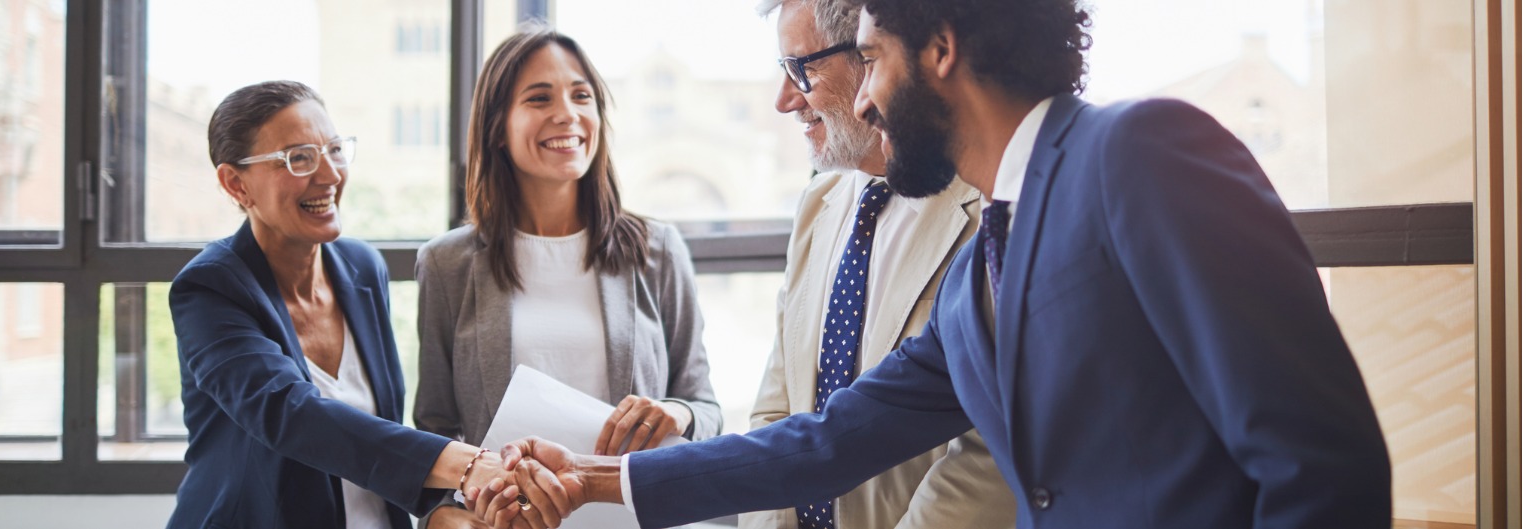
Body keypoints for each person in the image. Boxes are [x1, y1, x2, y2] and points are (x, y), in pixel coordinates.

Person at [487, 1, 1395, 528]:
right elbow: (828, 441)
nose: (868, 98)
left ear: (941, 49)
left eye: (872, 59)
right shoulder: (977, 279)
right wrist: (596, 480)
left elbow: (1322, 460)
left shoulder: (1142, 151)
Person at [167, 81, 569, 529]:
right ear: (235, 183)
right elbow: (291, 414)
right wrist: (470, 464)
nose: (330, 175)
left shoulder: (361, 267)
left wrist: (448, 505)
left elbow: (378, 430)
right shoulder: (210, 288)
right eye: (299, 157)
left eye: (335, 150)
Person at [413, 27, 721, 528]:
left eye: (582, 96)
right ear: (497, 127)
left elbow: (706, 408)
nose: (567, 113)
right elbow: (436, 433)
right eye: (539, 98)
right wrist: (447, 518)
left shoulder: (657, 250)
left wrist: (677, 414)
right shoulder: (448, 265)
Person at [742, 1, 1014, 528]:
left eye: (802, 68)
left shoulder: (990, 209)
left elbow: (990, 449)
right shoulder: (816, 207)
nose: (783, 100)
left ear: (873, 56)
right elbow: (776, 408)